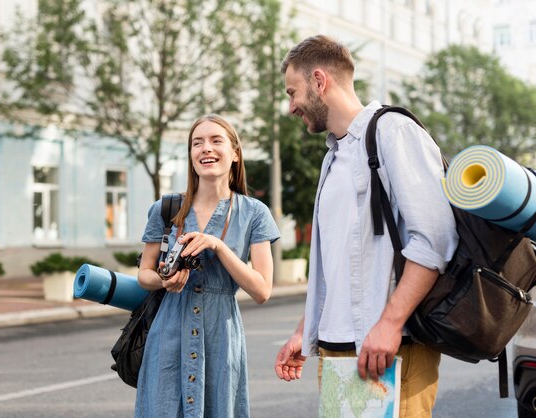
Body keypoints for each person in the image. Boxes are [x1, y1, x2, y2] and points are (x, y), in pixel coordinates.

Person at [273, 35, 458, 417]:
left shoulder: (393, 132)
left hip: (389, 349)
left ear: (320, 81)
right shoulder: (334, 157)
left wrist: (390, 324)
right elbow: (339, 264)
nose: (291, 107)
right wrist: (304, 330)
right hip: (336, 351)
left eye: (293, 92)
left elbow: (435, 238)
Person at [136, 114, 280, 418]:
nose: (206, 148)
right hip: (169, 336)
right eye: (197, 143)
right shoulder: (165, 209)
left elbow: (262, 290)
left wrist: (219, 246)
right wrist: (164, 281)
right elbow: (144, 274)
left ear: (235, 153)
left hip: (221, 337)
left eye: (216, 141)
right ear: (190, 155)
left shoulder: (254, 213)